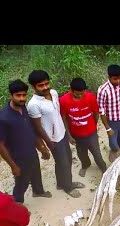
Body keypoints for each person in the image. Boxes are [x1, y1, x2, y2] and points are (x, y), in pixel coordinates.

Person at [27, 70, 84, 198]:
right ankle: (68, 187)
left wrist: (66, 132)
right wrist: (48, 143)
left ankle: (61, 183)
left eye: (47, 83)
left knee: (66, 160)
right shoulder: (33, 105)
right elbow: (38, 128)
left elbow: (58, 114)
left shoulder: (53, 93)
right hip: (53, 139)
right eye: (41, 85)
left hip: (61, 133)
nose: (45, 87)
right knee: (63, 162)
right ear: (33, 87)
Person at [0, 79, 52, 204]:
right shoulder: (2, 119)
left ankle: (38, 191)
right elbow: (0, 145)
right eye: (18, 95)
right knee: (22, 182)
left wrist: (41, 147)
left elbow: (30, 130)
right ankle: (18, 203)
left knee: (36, 172)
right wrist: (13, 166)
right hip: (18, 158)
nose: (21, 98)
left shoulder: (23, 108)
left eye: (24, 95)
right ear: (10, 95)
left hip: (31, 151)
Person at [59, 77, 107, 177]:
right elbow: (64, 118)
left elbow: (96, 113)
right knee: (81, 153)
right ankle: (85, 165)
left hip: (91, 133)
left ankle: (103, 167)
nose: (80, 95)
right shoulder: (63, 100)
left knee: (96, 153)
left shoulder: (91, 97)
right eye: (77, 93)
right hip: (76, 134)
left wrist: (93, 125)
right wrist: (69, 135)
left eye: (82, 93)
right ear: (71, 90)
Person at [97, 64, 120, 163]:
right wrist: (108, 128)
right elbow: (101, 111)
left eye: (119, 78)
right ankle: (113, 150)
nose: (118, 81)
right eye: (115, 79)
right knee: (113, 142)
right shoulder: (103, 90)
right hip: (112, 121)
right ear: (109, 77)